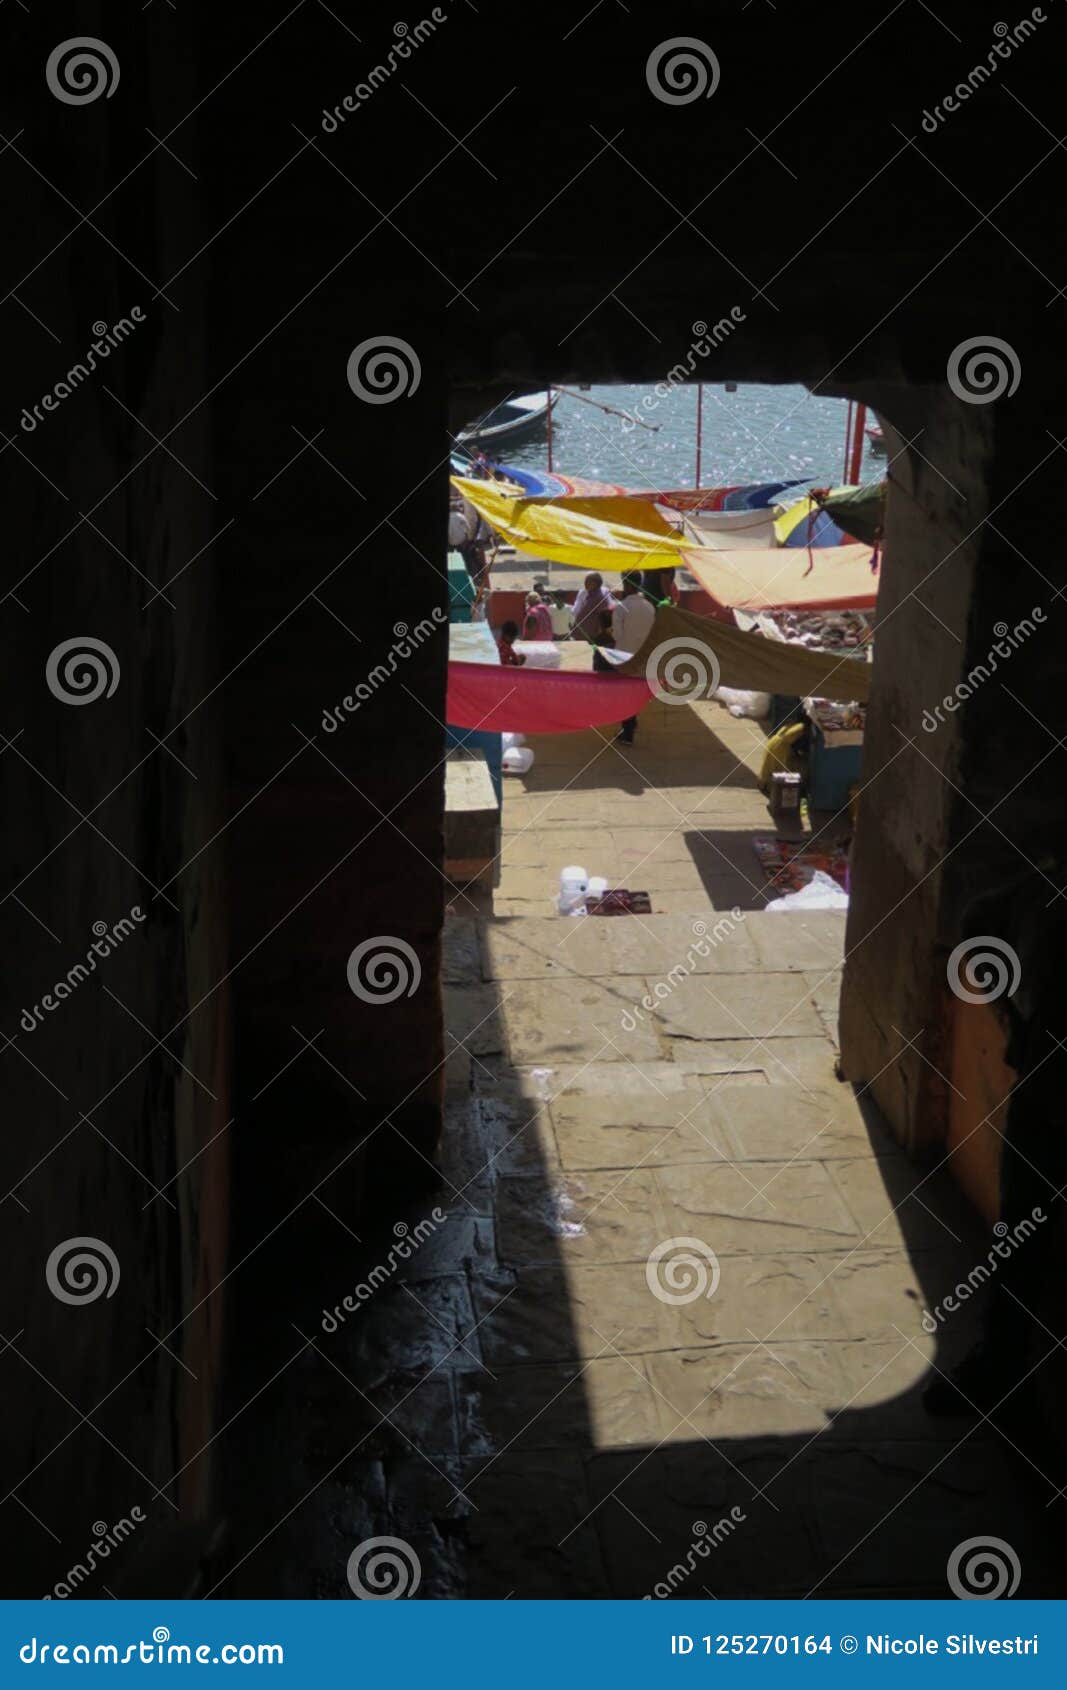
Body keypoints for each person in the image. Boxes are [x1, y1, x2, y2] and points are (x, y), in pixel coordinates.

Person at [611, 570, 656, 745]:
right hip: (643, 655)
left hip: (624, 655)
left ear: (627, 584)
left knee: (625, 694)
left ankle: (627, 733)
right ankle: (632, 722)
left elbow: (617, 635)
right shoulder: (649, 606)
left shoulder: (621, 607)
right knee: (635, 691)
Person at [572, 571, 614, 642]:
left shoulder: (600, 597)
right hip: (582, 634)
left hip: (590, 636)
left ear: (595, 583)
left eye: (587, 581)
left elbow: (603, 618)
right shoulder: (589, 594)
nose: (585, 583)